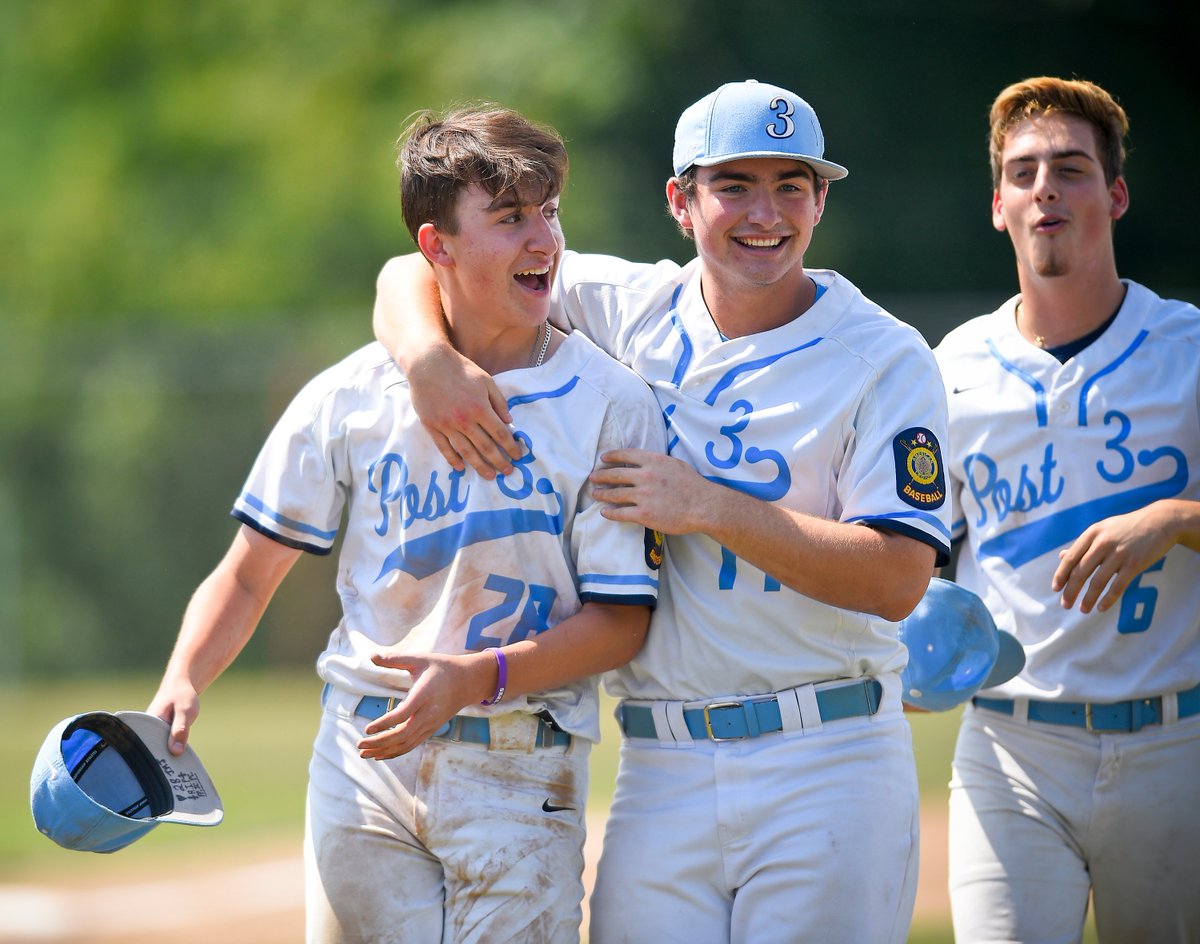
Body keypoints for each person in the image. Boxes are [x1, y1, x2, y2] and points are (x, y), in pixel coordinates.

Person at [374, 79, 953, 944]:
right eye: (735, 185)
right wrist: (426, 358)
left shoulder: (883, 355)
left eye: (792, 184)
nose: (767, 213)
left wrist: (711, 507)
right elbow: (419, 265)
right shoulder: (627, 304)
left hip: (825, 750)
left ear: (822, 199)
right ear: (681, 201)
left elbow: (899, 577)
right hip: (660, 759)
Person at [148, 104, 665, 944]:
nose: (545, 240)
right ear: (436, 248)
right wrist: (183, 677)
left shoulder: (611, 403)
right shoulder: (353, 396)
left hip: (521, 761)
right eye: (509, 218)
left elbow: (621, 622)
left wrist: (481, 675)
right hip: (364, 761)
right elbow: (249, 570)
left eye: (550, 211)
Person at [934, 76, 1200, 943]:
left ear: (1114, 195)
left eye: (1071, 167)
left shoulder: (1187, 348)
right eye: (1023, 171)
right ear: (998, 206)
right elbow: (920, 553)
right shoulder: (950, 367)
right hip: (1011, 748)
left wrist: (1175, 516)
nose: (1045, 185)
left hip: (1176, 743)